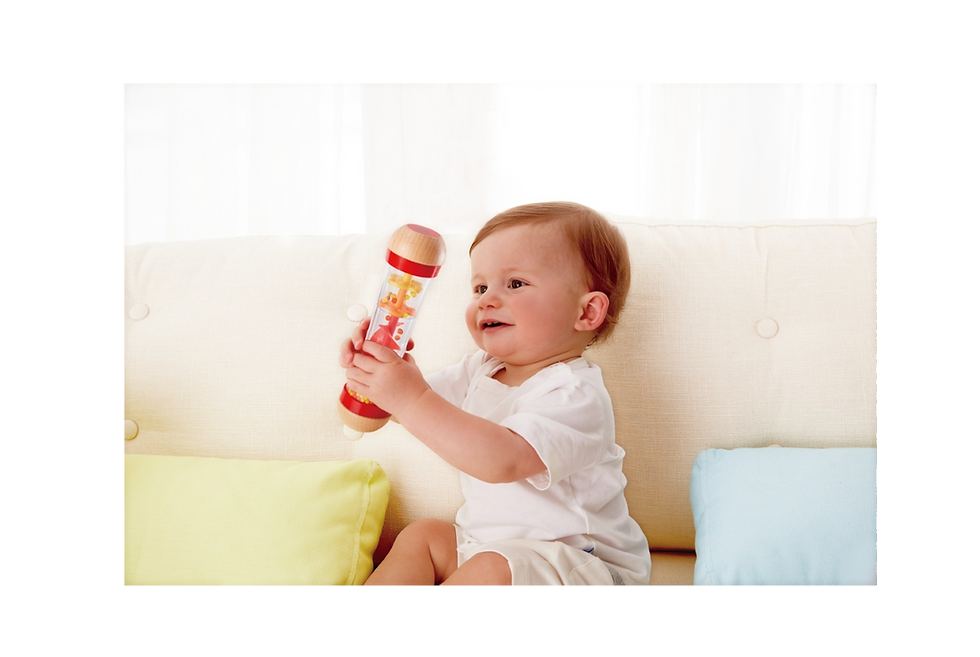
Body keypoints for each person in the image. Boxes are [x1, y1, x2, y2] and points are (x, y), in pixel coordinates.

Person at [340, 202, 650, 589]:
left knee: (492, 567)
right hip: (492, 549)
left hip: (582, 566)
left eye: (515, 284)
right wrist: (382, 372)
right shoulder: (480, 369)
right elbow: (417, 411)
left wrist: (408, 396)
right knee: (424, 537)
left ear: (587, 312)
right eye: (480, 287)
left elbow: (501, 461)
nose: (487, 299)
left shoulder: (576, 394)